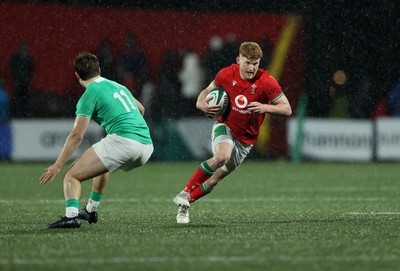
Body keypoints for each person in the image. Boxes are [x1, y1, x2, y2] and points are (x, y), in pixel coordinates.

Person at [172, 41, 292, 224]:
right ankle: (186, 191)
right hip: (225, 126)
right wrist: (200, 103)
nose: (251, 68)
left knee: (213, 181)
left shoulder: (267, 81)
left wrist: (265, 107)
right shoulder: (226, 74)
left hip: (246, 140)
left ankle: (185, 204)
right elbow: (206, 91)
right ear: (238, 60)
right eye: (247, 62)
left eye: (255, 63)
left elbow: (287, 109)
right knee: (222, 156)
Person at [39, 52, 153, 229]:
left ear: (77, 75)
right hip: (146, 146)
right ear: (99, 70)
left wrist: (57, 165)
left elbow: (77, 135)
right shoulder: (117, 85)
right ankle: (91, 210)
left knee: (71, 176)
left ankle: (71, 217)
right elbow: (142, 109)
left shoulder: (89, 94)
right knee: (102, 166)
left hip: (124, 142)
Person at [8, 41, 34, 118]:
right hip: (17, 82)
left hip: (25, 83)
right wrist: (16, 77)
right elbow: (11, 68)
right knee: (17, 99)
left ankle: (24, 115)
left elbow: (31, 69)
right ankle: (16, 114)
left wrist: (26, 77)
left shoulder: (29, 59)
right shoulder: (15, 58)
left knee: (24, 100)